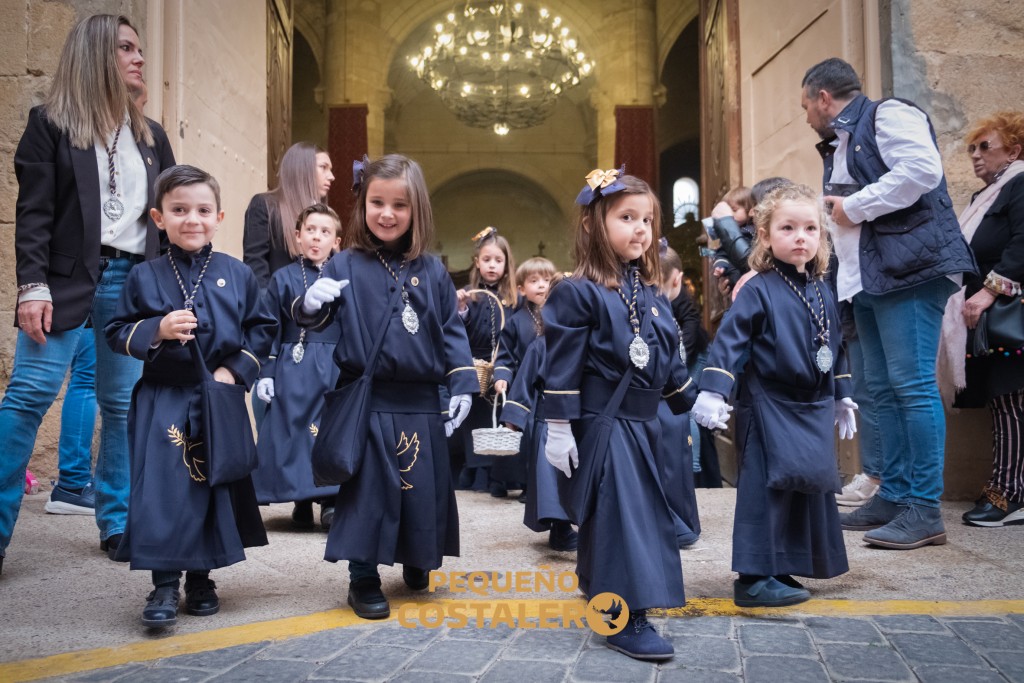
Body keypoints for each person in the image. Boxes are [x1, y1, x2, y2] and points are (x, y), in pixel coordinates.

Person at [0, 14, 175, 575]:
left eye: (140, 48)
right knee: (28, 395)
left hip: (131, 283)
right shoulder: (50, 124)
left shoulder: (153, 137)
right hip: (65, 280)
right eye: (126, 47)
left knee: (121, 405)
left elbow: (165, 219)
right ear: (96, 54)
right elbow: (34, 217)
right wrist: (31, 285)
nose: (139, 58)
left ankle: (117, 522)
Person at [801, 57, 976, 549]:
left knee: (913, 385)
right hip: (869, 278)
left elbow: (922, 170)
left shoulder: (887, 114)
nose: (806, 117)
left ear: (823, 98)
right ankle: (894, 494)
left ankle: (924, 507)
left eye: (805, 107)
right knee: (879, 389)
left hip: (910, 271)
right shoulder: (840, 143)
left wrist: (853, 207)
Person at [297, 154, 477, 620]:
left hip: (420, 399)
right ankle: (363, 576)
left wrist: (461, 383)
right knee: (369, 492)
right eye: (377, 201)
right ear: (362, 205)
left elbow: (450, 331)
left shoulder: (434, 270)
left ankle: (417, 558)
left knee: (422, 488)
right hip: (369, 399)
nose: (387, 213)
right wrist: (310, 303)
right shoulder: (344, 264)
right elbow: (316, 317)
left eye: (400, 204)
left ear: (417, 209)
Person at [105, 164, 275, 628]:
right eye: (179, 210)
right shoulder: (144, 275)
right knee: (163, 492)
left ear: (219, 216)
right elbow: (116, 331)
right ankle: (163, 582)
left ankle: (202, 577)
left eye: (202, 210)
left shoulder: (237, 275)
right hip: (164, 398)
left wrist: (231, 370)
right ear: (160, 218)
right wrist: (156, 329)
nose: (192, 220)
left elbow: (263, 331)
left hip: (217, 398)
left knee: (209, 488)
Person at [542, 169, 694, 660]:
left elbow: (664, 356)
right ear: (593, 225)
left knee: (620, 517)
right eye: (627, 217)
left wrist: (696, 401)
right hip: (605, 423)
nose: (641, 229)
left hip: (645, 425)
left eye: (646, 219)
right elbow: (561, 363)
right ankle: (624, 617)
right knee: (627, 520)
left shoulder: (647, 291)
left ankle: (601, 590)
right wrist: (559, 426)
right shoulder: (577, 291)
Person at [693, 183, 855, 607]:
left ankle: (783, 564)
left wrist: (842, 392)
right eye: (787, 228)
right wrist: (713, 390)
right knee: (767, 489)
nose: (800, 237)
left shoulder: (821, 287)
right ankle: (752, 579)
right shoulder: (758, 287)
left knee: (806, 487)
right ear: (764, 235)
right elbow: (731, 340)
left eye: (810, 229)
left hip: (813, 404)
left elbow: (836, 344)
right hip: (768, 403)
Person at [942, 111, 1024, 527]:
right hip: (990, 318)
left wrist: (991, 288)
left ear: (1014, 150)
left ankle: (1007, 494)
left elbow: (1023, 243)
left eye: (984, 146)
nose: (975, 156)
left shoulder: (1021, 183)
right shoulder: (985, 196)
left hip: (1010, 312)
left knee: (1010, 400)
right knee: (1001, 400)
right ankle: (1006, 486)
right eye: (971, 148)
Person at [252, 203, 343, 530]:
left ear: (337, 241)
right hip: (294, 363)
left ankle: (331, 499)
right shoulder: (284, 277)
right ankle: (301, 498)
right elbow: (269, 326)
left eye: (325, 232)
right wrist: (266, 370)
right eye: (310, 230)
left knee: (330, 430)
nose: (316, 237)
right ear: (297, 236)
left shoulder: (344, 276)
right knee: (296, 430)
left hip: (333, 364)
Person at [455, 227, 517, 497]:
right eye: (487, 259)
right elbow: (459, 329)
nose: (492, 265)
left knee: (502, 416)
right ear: (477, 262)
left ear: (506, 264)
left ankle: (501, 473)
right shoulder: (471, 294)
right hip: (476, 363)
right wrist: (461, 309)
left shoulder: (514, 297)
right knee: (477, 418)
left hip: (504, 361)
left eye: (498, 260)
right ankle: (477, 469)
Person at [243, 142, 335, 289]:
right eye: (323, 167)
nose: (332, 177)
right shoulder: (265, 205)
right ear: (302, 168)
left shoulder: (325, 215)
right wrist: (267, 309)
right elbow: (256, 267)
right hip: (277, 306)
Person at [658, 243, 701, 546]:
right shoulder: (660, 311)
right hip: (663, 399)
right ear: (677, 279)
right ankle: (675, 522)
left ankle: (680, 521)